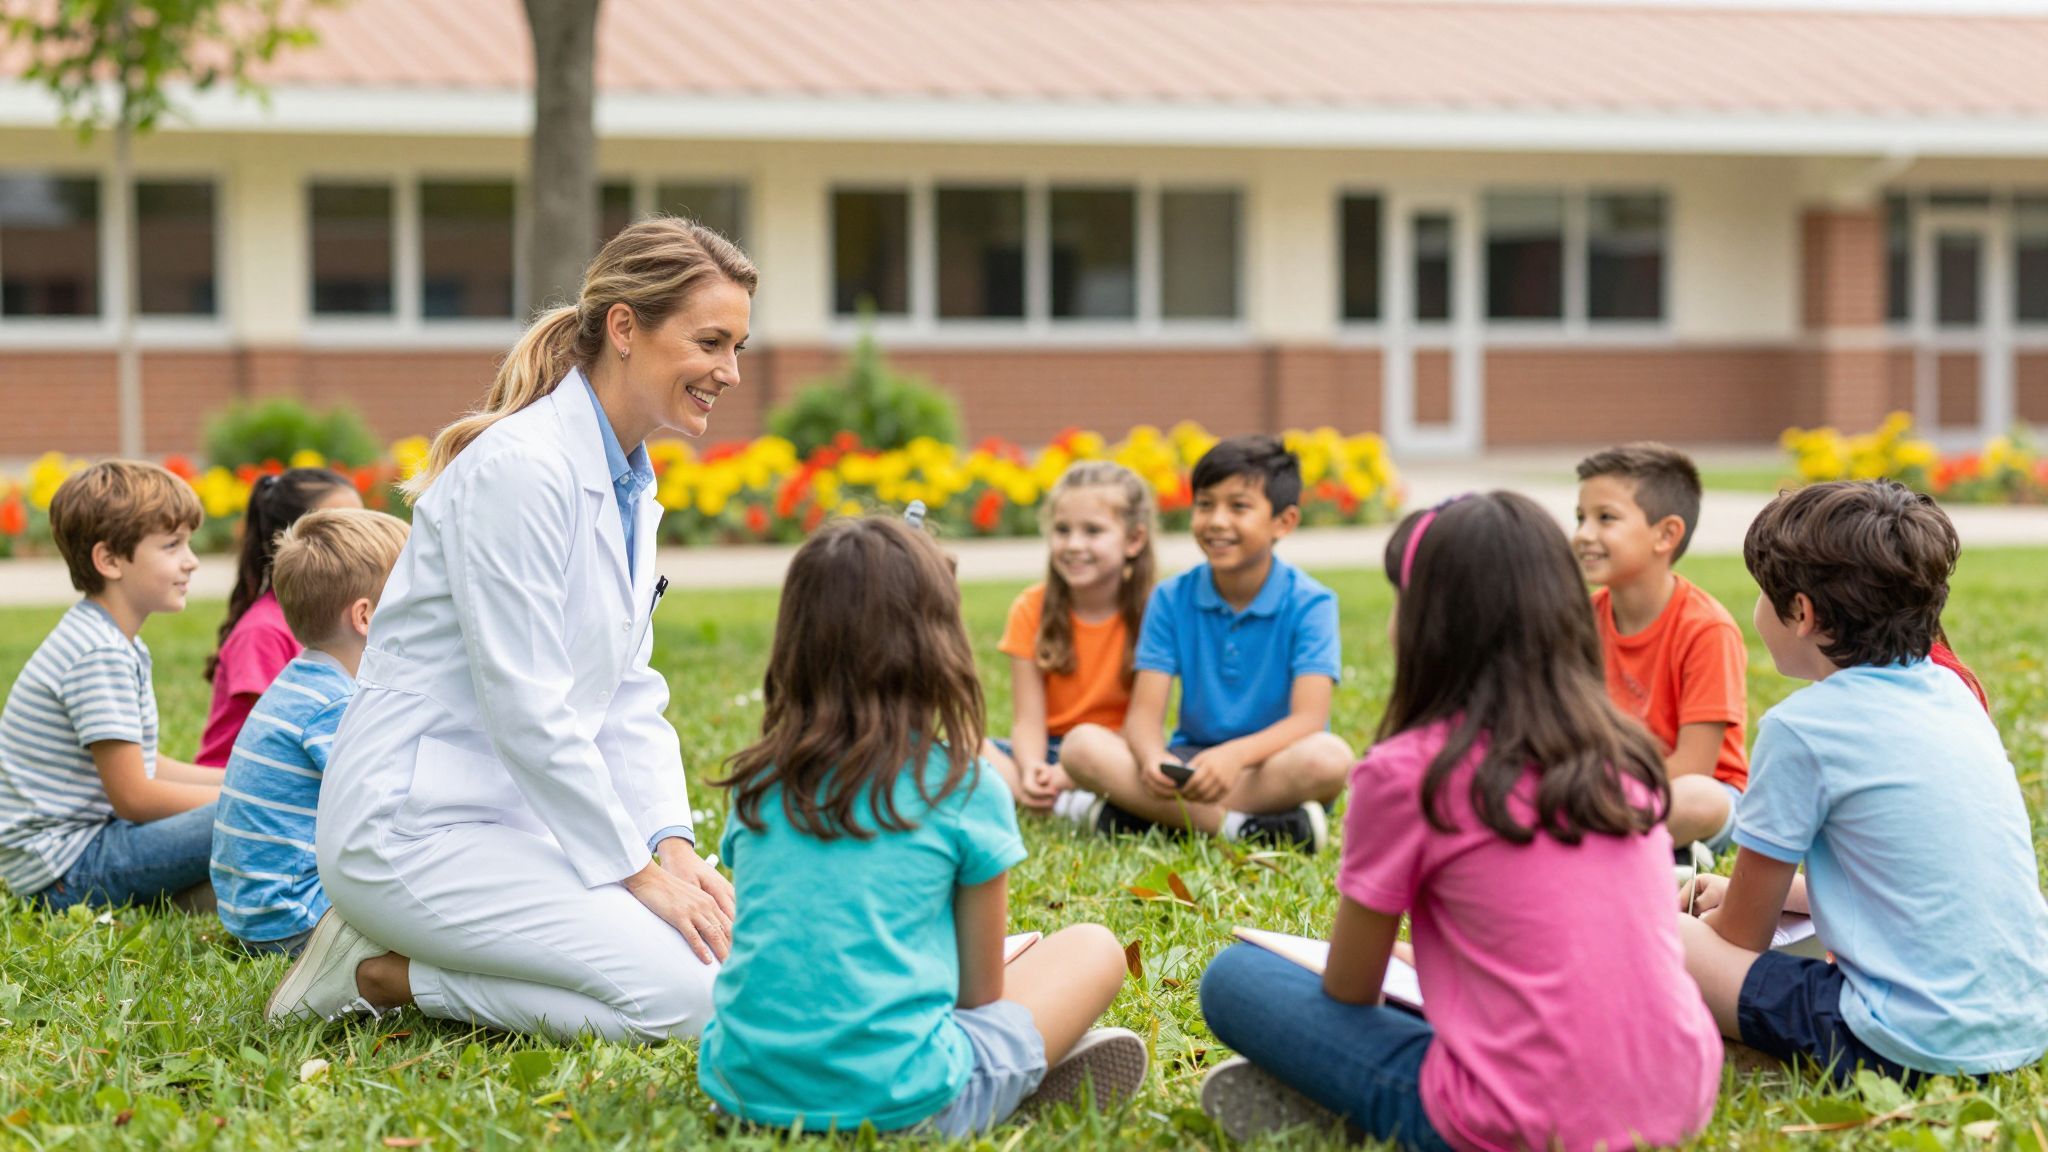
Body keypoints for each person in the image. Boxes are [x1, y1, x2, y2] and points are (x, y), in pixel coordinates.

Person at [264, 217, 749, 1040]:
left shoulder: (630, 482)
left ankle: (409, 960)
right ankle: (383, 977)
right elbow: (527, 705)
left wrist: (669, 844)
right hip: (411, 830)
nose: (730, 372)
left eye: (737, 347)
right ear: (625, 329)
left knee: (721, 966)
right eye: (711, 342)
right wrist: (634, 873)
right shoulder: (520, 471)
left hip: (518, 819)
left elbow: (627, 692)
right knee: (702, 1004)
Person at [1198, 492, 1721, 1151]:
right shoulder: (1626, 754)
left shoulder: (1408, 773)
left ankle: (1343, 1110)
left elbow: (1352, 989)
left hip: (1518, 1125)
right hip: (1679, 1096)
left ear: (1427, 622)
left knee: (1236, 979)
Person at [700, 517, 1146, 1136]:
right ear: (937, 643)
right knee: (1094, 948)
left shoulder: (759, 783)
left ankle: (1024, 1070)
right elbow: (979, 998)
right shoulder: (962, 786)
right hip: (907, 1106)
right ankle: (1020, 1078)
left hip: (742, 1093)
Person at [1680, 480, 2048, 1084]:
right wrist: (1783, 894)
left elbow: (1741, 935)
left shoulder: (1801, 730)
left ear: (1802, 613)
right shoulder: (1952, 690)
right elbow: (1909, 880)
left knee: (1671, 939)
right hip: (2022, 1023)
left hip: (1899, 1047)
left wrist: (1699, 927)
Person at [1059, 435, 1352, 852]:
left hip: (1269, 767)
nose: (1216, 521)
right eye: (1205, 504)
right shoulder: (1170, 597)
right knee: (1081, 746)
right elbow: (1143, 718)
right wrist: (1151, 760)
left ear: (1283, 522)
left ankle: (1138, 817)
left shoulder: (1312, 603)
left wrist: (1235, 757)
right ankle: (1246, 829)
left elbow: (1308, 719)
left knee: (1330, 758)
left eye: (1239, 507)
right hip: (1189, 767)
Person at [0, 461, 223, 910]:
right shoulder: (98, 652)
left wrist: (246, 779)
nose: (191, 560)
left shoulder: (107, 638)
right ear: (109, 560)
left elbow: (146, 764)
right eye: (172, 545)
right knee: (256, 816)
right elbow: (136, 798)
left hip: (80, 850)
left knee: (256, 805)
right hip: (63, 872)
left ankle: (198, 895)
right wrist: (248, 799)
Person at [211, 508, 409, 957]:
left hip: (258, 913)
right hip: (296, 920)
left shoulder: (302, 680)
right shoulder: (336, 705)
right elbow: (389, 807)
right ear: (366, 617)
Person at [1573, 443, 1748, 859]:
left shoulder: (1707, 629)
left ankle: (1591, 844)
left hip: (1694, 799)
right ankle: (1609, 842)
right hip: (1598, 790)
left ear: (1666, 534)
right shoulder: (1578, 620)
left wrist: (1595, 795)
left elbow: (1694, 768)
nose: (1583, 534)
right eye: (1580, 518)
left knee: (1698, 798)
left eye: (1605, 518)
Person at [982, 461, 1156, 812]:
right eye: (1062, 530)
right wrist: (1034, 768)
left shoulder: (1155, 612)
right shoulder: (1030, 609)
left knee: (1092, 753)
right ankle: (1052, 800)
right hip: (1045, 750)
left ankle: (1054, 800)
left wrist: (1069, 772)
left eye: (1092, 531)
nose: (1074, 544)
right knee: (960, 744)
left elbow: (1144, 725)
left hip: (1114, 751)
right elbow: (1027, 720)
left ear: (1134, 539)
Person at [195, 467, 363, 768]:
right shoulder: (263, 632)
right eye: (341, 528)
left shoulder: (344, 620)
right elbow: (283, 734)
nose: (363, 540)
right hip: (240, 791)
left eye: (363, 525)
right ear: (294, 542)